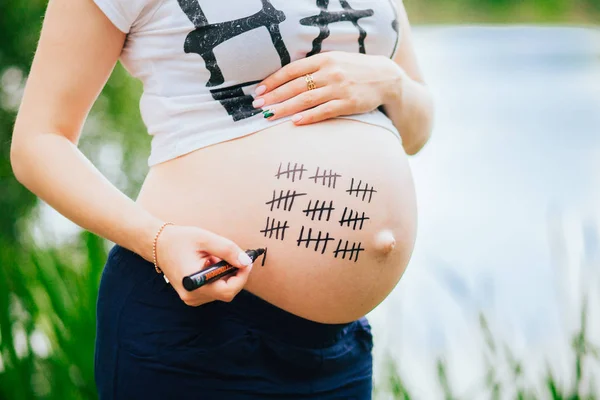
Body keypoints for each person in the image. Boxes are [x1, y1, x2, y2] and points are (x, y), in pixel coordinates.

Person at [10, 0, 434, 398]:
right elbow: (38, 142)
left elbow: (417, 131)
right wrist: (157, 240)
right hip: (196, 328)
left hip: (337, 346)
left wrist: (391, 83)